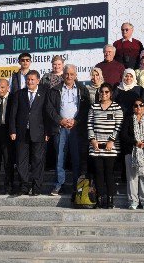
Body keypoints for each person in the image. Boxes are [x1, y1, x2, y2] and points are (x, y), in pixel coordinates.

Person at [46, 64, 91, 196]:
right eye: (66, 74)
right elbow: (50, 108)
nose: (69, 76)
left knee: (76, 157)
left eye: (72, 74)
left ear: (76, 75)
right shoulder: (55, 90)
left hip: (76, 128)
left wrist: (76, 121)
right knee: (60, 157)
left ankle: (77, 185)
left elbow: (86, 108)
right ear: (63, 75)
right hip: (61, 127)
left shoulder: (83, 89)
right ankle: (59, 184)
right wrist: (60, 120)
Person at [9, 70, 51, 197]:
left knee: (37, 160)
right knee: (21, 161)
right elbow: (13, 114)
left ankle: (36, 187)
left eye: (32, 79)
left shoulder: (44, 93)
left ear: (38, 80)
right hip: (22, 133)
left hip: (39, 132)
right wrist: (12, 130)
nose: (30, 82)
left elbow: (47, 113)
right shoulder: (19, 94)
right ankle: (25, 186)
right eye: (28, 79)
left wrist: (47, 131)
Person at [88, 83, 124, 208]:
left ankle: (110, 199)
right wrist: (93, 140)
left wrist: (111, 141)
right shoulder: (94, 107)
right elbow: (90, 125)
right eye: (102, 92)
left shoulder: (116, 107)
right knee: (98, 172)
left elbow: (118, 126)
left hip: (111, 147)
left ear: (111, 93)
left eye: (106, 92)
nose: (104, 94)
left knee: (109, 173)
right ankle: (99, 198)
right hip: (96, 147)